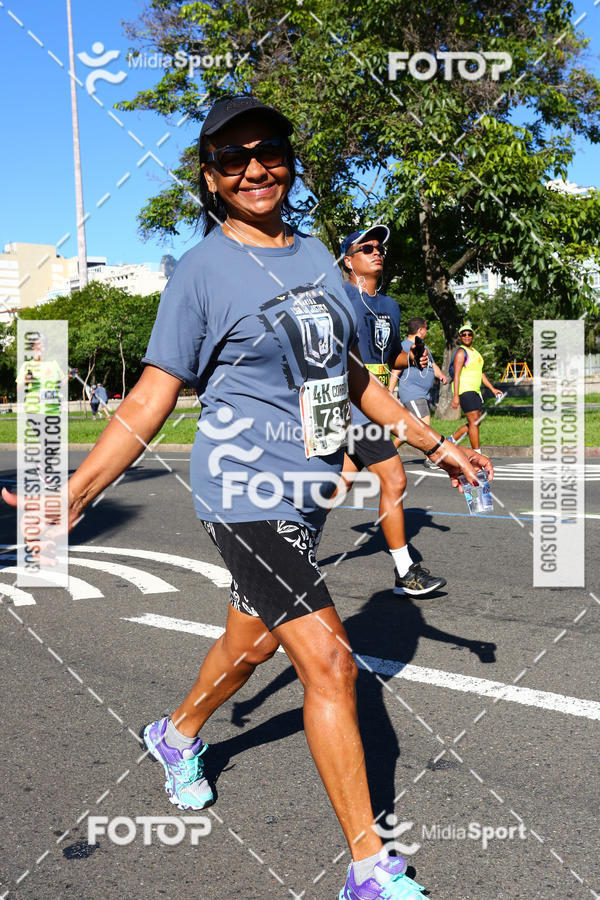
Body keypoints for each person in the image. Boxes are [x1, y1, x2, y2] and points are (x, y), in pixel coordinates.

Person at [3, 96, 492, 900]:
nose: (254, 169)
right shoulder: (200, 271)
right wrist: (79, 489)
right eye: (232, 159)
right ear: (210, 178)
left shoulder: (320, 257)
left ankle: (177, 732)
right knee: (331, 664)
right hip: (240, 488)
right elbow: (152, 396)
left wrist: (435, 443)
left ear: (289, 161)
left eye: (268, 152)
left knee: (255, 644)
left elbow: (352, 378)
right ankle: (370, 867)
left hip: (304, 494)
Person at [339, 229, 447, 597]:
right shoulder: (338, 300)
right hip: (353, 404)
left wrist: (411, 356)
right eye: (365, 248)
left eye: (379, 247)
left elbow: (388, 357)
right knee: (396, 478)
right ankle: (405, 571)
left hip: (379, 405)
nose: (376, 252)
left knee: (334, 488)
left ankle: (283, 542)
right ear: (348, 261)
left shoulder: (389, 306)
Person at [392, 317, 447, 468]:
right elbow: (396, 370)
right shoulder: (404, 347)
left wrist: (440, 375)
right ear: (420, 330)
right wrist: (389, 392)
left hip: (422, 395)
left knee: (411, 428)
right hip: (412, 393)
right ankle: (431, 458)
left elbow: (432, 365)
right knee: (425, 424)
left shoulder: (424, 347)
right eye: (426, 328)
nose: (427, 331)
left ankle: (387, 453)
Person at [449, 323, 503, 453]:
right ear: (460, 337)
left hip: (475, 391)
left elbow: (481, 374)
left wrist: (492, 389)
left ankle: (450, 441)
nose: (467, 336)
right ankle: (477, 455)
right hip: (465, 390)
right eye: (464, 334)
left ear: (473, 336)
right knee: (474, 422)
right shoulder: (461, 353)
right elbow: (456, 375)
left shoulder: (476, 353)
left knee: (476, 422)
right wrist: (456, 396)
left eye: (469, 334)